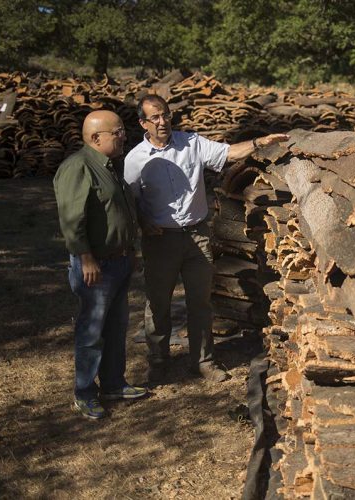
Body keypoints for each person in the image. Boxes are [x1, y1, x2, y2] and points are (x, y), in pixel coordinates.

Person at [124, 94, 288, 383]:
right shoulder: (135, 160)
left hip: (197, 235)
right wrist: (143, 223)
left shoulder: (191, 143)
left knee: (200, 302)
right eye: (155, 117)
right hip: (161, 240)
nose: (162, 122)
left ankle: (203, 361)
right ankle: (159, 362)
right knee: (158, 303)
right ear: (143, 123)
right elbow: (130, 202)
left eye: (165, 115)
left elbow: (228, 153)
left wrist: (257, 144)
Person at [53, 110, 147, 420]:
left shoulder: (109, 167)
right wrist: (86, 258)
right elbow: (72, 220)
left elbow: (121, 213)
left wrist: (129, 248)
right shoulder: (79, 167)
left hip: (118, 261)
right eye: (117, 132)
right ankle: (84, 393)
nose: (124, 137)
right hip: (96, 266)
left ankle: (113, 383)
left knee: (117, 327)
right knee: (92, 331)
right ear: (96, 138)